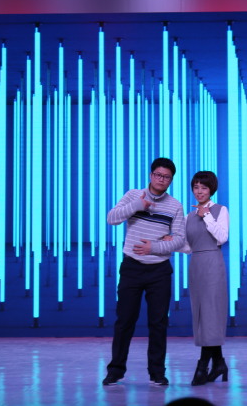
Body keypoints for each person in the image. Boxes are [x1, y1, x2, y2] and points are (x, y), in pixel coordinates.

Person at [103, 157, 187, 387]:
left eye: (167, 177)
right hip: (132, 267)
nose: (162, 179)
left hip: (159, 270)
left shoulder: (175, 206)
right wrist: (136, 206)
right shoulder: (133, 195)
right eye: (158, 175)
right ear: (151, 175)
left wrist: (155, 247)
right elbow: (111, 219)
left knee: (158, 323)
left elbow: (179, 240)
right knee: (124, 321)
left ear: (171, 180)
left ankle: (157, 373)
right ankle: (115, 370)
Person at [168, 171, 230, 386]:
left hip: (213, 262)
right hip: (196, 264)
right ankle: (219, 362)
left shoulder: (220, 210)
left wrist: (207, 216)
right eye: (196, 187)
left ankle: (203, 365)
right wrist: (171, 241)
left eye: (204, 187)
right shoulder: (188, 216)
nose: (199, 191)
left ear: (211, 189)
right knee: (202, 315)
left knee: (212, 313)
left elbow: (222, 237)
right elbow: (187, 247)